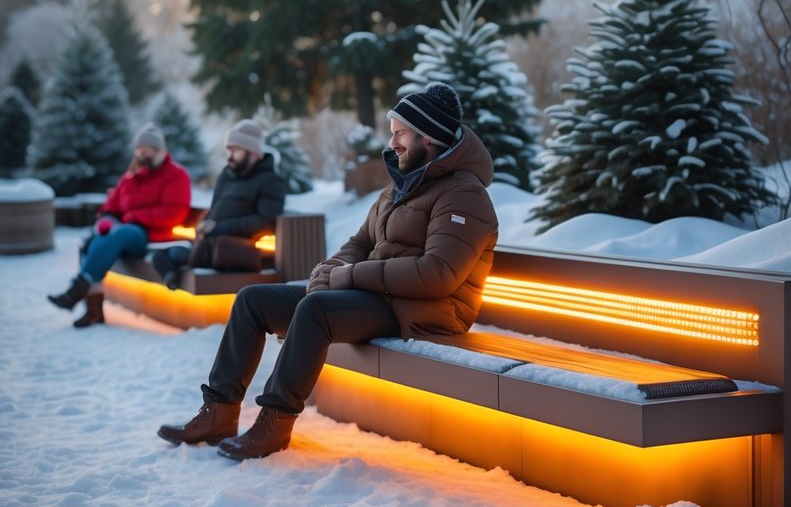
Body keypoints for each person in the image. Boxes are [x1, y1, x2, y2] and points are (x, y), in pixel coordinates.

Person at [158, 82, 498, 461]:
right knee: (253, 300)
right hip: (382, 296)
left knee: (315, 311)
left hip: (428, 311)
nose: (393, 144)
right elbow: (360, 242)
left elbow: (438, 275)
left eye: (400, 134)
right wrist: (332, 267)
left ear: (429, 137)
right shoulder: (401, 186)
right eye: (393, 134)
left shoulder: (464, 195)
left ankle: (275, 421)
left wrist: (350, 277)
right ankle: (218, 413)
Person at [48, 123, 191, 328]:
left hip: (153, 236)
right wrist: (107, 218)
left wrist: (133, 216)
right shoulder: (130, 177)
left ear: (160, 151)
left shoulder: (176, 175)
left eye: (149, 149)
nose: (144, 154)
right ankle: (93, 309)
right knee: (91, 242)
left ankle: (77, 289)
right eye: (140, 149)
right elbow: (112, 205)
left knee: (120, 233)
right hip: (123, 232)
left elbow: (174, 212)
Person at [151, 120, 286, 288]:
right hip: (208, 244)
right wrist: (203, 224)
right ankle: (175, 287)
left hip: (234, 251)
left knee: (171, 255)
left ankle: (179, 292)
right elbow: (216, 209)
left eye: (236, 150)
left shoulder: (271, 181)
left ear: (253, 152)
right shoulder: (227, 175)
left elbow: (265, 223)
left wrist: (218, 227)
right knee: (159, 256)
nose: (229, 156)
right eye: (229, 150)